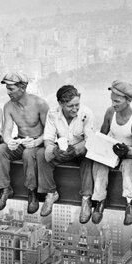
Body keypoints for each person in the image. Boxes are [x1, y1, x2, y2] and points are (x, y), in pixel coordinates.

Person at [0, 72, 49, 213]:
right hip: (21, 140)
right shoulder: (8, 107)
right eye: (7, 88)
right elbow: (7, 131)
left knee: (28, 154)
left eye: (11, 89)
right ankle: (5, 189)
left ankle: (32, 192)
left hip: (38, 143)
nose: (8, 92)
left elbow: (49, 131)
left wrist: (36, 142)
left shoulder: (40, 104)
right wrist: (9, 141)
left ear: (22, 88)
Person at [37, 85, 95, 220]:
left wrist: (76, 150)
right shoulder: (53, 114)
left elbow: (90, 140)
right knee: (41, 155)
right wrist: (55, 150)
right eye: (70, 106)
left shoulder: (87, 113)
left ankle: (86, 198)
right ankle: (51, 193)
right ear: (61, 104)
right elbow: (48, 139)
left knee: (89, 158)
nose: (75, 109)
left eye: (77, 105)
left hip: (81, 149)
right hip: (62, 148)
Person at [91, 80, 132, 225]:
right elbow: (103, 134)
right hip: (111, 148)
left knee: (127, 168)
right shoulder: (110, 112)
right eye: (112, 100)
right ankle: (99, 200)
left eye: (117, 101)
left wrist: (127, 151)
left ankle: (130, 202)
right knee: (100, 165)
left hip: (126, 152)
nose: (113, 104)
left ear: (128, 100)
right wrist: (100, 148)